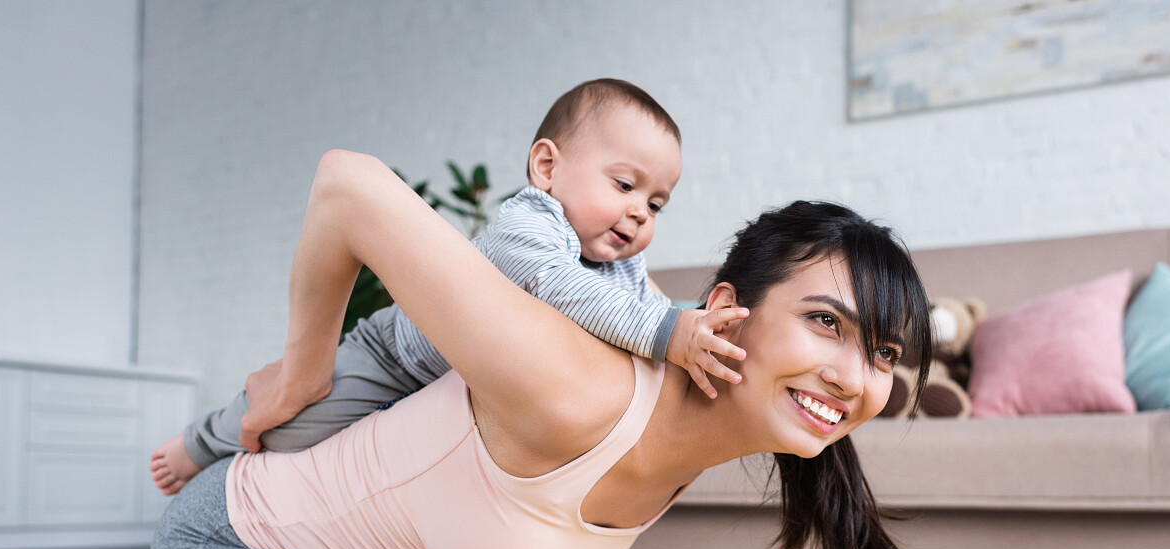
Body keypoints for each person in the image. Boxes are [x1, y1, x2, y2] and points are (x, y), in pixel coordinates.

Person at [120, 148, 936, 549]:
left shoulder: (715, 430)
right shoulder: (575, 386)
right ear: (726, 309)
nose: (851, 376)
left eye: (882, 355)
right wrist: (303, 374)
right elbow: (347, 186)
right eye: (826, 322)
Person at [149, 78, 746, 496]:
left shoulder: (621, 265)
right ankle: (202, 443)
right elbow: (567, 293)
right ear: (547, 168)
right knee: (295, 423)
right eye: (624, 184)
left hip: (457, 398)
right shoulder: (528, 226)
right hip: (397, 359)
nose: (640, 212)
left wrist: (700, 322)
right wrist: (670, 330)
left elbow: (646, 309)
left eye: (657, 203)